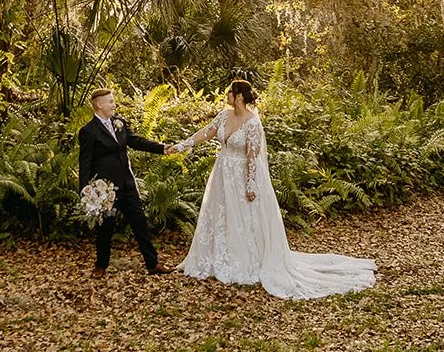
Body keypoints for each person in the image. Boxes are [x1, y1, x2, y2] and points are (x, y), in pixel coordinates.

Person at [168, 79, 376, 299]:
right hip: (222, 174)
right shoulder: (224, 115)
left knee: (243, 217)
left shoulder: (252, 123)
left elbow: (252, 156)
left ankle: (244, 260)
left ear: (239, 97)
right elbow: (206, 133)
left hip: (240, 176)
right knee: (220, 214)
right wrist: (181, 146)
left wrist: (250, 184)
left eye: (230, 92)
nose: (227, 95)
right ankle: (217, 257)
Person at [77, 87, 176, 278]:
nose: (114, 105)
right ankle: (101, 265)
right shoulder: (88, 131)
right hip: (106, 189)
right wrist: (85, 188)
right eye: (110, 102)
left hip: (128, 184)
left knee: (140, 224)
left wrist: (162, 148)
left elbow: (135, 141)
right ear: (99, 105)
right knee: (106, 228)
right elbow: (85, 160)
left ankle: (153, 263)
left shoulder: (119, 123)